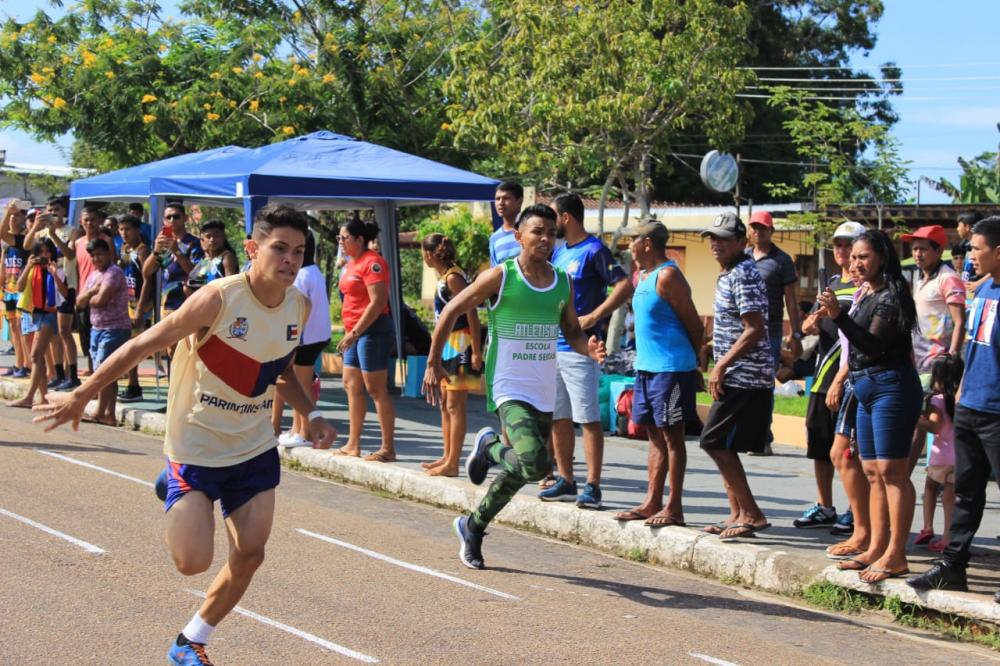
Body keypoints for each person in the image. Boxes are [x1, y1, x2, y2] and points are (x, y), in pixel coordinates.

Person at [33, 204, 337, 665]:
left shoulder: (300, 305)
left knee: (250, 554)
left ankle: (190, 640)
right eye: (280, 248)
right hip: (196, 443)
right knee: (192, 562)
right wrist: (82, 393)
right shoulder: (218, 299)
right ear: (252, 249)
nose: (290, 260)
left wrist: (310, 414)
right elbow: (141, 344)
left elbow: (279, 373)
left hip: (252, 447)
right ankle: (173, 482)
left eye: (298, 251)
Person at [423, 204, 605, 570]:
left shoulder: (562, 281)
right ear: (519, 236)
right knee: (535, 463)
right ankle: (490, 447)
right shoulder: (501, 276)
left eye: (551, 233)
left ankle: (473, 526)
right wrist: (432, 362)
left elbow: (571, 331)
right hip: (508, 385)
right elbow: (451, 310)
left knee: (524, 470)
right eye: (537, 231)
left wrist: (588, 348)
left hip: (542, 388)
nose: (545, 238)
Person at [819, 229, 922, 584]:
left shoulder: (891, 296)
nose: (856, 263)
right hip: (864, 386)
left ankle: (897, 554)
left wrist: (838, 315)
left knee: (893, 472)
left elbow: (874, 344)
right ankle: (876, 547)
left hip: (891, 386)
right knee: (872, 471)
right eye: (853, 257)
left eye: (863, 256)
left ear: (882, 257)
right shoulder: (866, 293)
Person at [907, 216, 1000, 598]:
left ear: (998, 252)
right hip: (970, 404)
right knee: (965, 491)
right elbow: (974, 346)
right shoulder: (985, 289)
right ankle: (952, 566)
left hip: (996, 410)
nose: (970, 255)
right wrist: (960, 389)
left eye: (976, 248)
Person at [540, 193, 632, 508]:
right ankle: (566, 480)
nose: (549, 225)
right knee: (559, 416)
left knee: (588, 418)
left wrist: (594, 317)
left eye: (553, 217)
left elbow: (624, 285)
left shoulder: (594, 250)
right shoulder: (559, 252)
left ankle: (593, 486)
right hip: (553, 346)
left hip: (582, 349)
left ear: (566, 217)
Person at [613, 221, 702, 527]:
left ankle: (674, 507)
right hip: (646, 369)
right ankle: (652, 501)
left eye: (633, 241)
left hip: (671, 369)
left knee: (672, 437)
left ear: (647, 243)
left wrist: (694, 366)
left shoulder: (668, 276)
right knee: (653, 435)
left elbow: (695, 325)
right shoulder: (643, 277)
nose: (630, 247)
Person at [699, 212, 774, 541]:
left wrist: (720, 366)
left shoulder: (743, 273)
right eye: (713, 238)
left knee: (713, 441)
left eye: (724, 239)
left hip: (746, 375)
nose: (716, 244)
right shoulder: (729, 272)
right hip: (735, 372)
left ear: (742, 242)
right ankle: (737, 513)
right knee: (720, 443)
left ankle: (752, 513)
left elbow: (755, 328)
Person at [794, 221, 863, 531]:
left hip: (849, 378)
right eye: (838, 244)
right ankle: (825, 506)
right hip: (822, 376)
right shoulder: (831, 283)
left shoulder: (865, 287)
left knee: (849, 449)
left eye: (849, 244)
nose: (843, 250)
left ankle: (856, 509)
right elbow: (812, 323)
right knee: (819, 443)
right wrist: (810, 324)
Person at [419, 233, 483, 477]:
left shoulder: (454, 278)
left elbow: (472, 313)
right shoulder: (444, 277)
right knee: (445, 404)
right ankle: (447, 456)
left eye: (423, 253)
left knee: (455, 405)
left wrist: (476, 350)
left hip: (461, 343)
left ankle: (453, 462)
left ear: (429, 254)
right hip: (447, 344)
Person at [334, 217, 396, 462]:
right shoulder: (351, 263)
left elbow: (378, 302)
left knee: (375, 388)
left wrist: (355, 332)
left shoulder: (373, 263)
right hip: (354, 331)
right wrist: (350, 332)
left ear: (359, 239)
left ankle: (387, 448)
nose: (341, 242)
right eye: (339, 238)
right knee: (351, 384)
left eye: (345, 238)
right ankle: (353, 443)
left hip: (371, 330)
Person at [746, 210, 802, 456]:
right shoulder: (743, 257)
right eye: (754, 227)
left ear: (771, 231)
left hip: (770, 332)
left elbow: (791, 299)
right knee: (743, 383)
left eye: (762, 227)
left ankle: (762, 437)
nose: (758, 232)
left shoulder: (782, 260)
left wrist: (796, 334)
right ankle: (745, 432)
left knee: (763, 384)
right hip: (742, 331)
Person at [273, 229, 332, 448]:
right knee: (301, 383)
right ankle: (297, 428)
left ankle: (305, 432)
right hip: (316, 335)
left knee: (302, 386)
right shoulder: (313, 271)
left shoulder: (301, 275)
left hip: (306, 337)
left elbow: (295, 310)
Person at [23, 197, 79, 390]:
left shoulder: (71, 231)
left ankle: (73, 375)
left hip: (66, 284)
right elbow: (26, 246)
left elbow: (70, 255)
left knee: (64, 331)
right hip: (47, 286)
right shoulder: (42, 231)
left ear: (64, 211)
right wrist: (36, 226)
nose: (53, 213)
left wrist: (54, 235)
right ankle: (58, 374)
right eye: (50, 210)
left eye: (56, 209)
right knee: (54, 334)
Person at [6, 237, 68, 408]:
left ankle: (29, 397)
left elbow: (64, 293)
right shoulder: (32, 269)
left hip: (50, 315)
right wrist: (28, 266)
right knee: (38, 357)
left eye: (47, 252)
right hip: (35, 315)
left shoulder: (57, 270)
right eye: (40, 252)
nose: (44, 255)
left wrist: (54, 274)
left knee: (35, 355)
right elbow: (19, 287)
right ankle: (43, 396)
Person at [76, 238, 131, 425]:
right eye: (93, 255)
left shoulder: (113, 273)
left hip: (114, 329)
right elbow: (79, 303)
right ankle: (108, 414)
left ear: (108, 254)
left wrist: (89, 298)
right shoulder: (94, 275)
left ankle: (102, 412)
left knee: (104, 372)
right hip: (97, 329)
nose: (96, 259)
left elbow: (101, 300)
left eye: (99, 254)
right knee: (106, 372)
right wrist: (92, 293)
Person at [913, 354, 964, 554]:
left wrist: (916, 419)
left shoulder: (937, 400)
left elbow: (934, 426)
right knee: (949, 497)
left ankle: (927, 527)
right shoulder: (962, 399)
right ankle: (947, 536)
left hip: (941, 455)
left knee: (930, 488)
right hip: (959, 455)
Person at [903, 224, 966, 376]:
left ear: (939, 251)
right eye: (915, 249)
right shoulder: (920, 279)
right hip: (918, 362)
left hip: (938, 365)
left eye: (923, 249)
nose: (917, 254)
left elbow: (960, 322)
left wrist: (951, 359)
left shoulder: (948, 278)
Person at [73, 206, 118, 377]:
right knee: (86, 335)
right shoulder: (78, 243)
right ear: (81, 222)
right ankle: (92, 368)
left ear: (99, 221)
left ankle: (106, 370)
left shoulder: (106, 241)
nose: (90, 223)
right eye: (86, 220)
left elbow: (113, 266)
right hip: (83, 294)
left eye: (93, 219)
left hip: (102, 294)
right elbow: (76, 270)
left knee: (104, 335)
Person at [118, 215, 152, 402]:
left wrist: (140, 308)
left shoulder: (143, 251)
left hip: (139, 304)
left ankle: (134, 385)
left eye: (128, 229)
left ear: (137, 230)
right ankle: (131, 383)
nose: (124, 233)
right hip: (125, 302)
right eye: (121, 229)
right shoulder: (124, 249)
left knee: (134, 346)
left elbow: (148, 280)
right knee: (126, 345)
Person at [2, 199, 31, 378]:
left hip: (21, 290)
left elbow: (1, 233)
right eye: (11, 215)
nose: (13, 217)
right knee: (13, 328)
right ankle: (18, 363)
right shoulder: (7, 245)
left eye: (16, 215)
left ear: (23, 218)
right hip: (9, 290)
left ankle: (26, 364)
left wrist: (8, 212)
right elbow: (3, 266)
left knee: (21, 328)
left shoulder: (22, 240)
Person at [184, 219, 239, 296]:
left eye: (216, 236)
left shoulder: (227, 257)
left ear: (224, 237)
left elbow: (230, 285)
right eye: (208, 236)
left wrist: (207, 286)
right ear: (202, 240)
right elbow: (193, 281)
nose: (212, 240)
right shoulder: (206, 261)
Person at [488, 181, 524, 267]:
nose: (501, 203)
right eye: (497, 199)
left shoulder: (531, 231)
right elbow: (495, 269)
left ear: (519, 201)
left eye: (506, 198)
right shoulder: (494, 238)